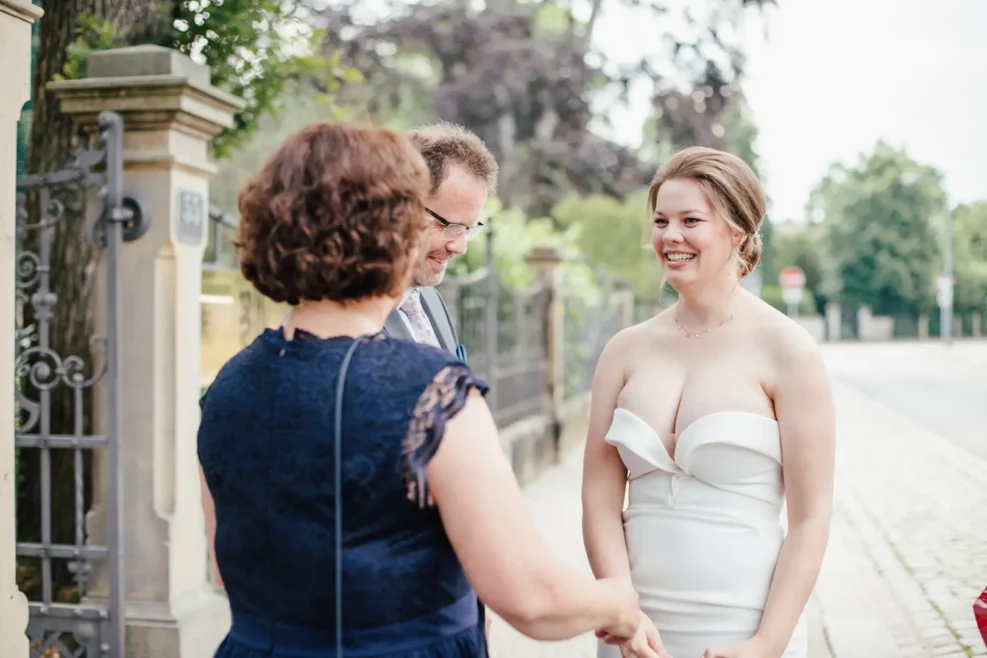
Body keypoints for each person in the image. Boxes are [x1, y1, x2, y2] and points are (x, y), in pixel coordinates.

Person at [197, 121, 662, 658]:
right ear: (394, 229)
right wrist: (618, 604)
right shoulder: (432, 395)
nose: (455, 244)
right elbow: (531, 598)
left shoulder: (227, 386)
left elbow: (225, 569)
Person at [582, 146, 835, 658]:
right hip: (636, 626)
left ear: (737, 231)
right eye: (661, 221)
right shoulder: (624, 350)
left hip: (745, 623)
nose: (670, 236)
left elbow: (812, 517)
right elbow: (598, 498)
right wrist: (622, 609)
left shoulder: (788, 350)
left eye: (690, 220)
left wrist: (769, 642)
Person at [383, 121, 496, 353]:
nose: (460, 247)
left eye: (468, 229)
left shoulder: (432, 302)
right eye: (451, 226)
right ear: (404, 207)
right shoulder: (346, 315)